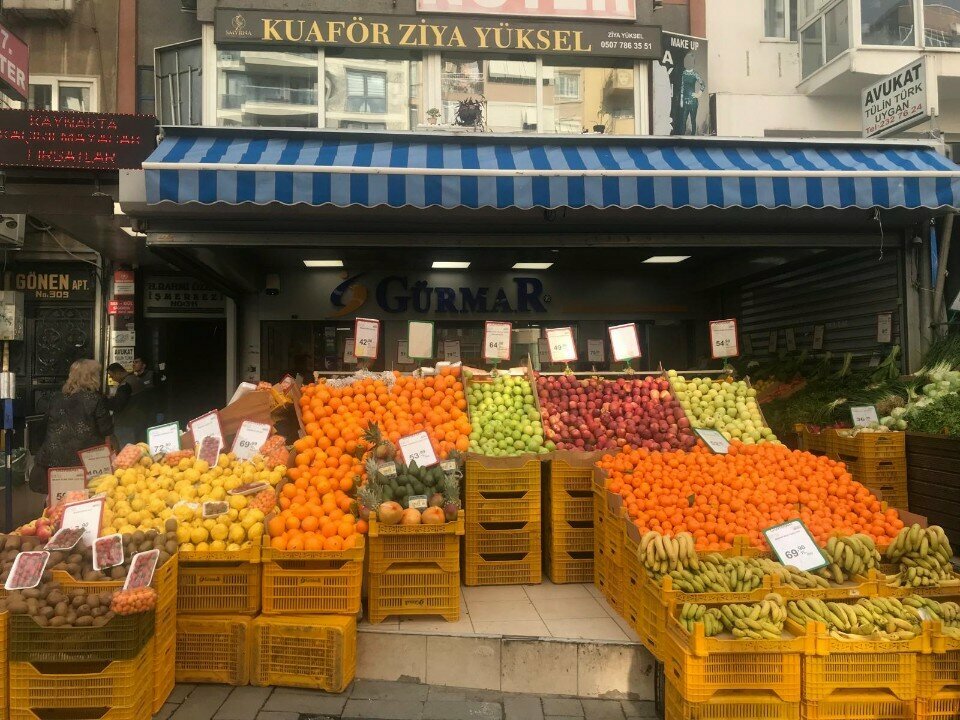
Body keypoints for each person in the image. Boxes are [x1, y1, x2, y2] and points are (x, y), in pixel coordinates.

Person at [29, 359, 114, 494]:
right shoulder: (95, 399)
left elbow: (43, 426)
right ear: (91, 376)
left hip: (53, 459)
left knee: (55, 501)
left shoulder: (57, 398)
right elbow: (106, 429)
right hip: (84, 461)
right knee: (83, 498)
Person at [106, 362, 148, 445]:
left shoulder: (125, 385)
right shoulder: (135, 379)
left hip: (127, 424)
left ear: (118, 373)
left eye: (112, 375)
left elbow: (118, 405)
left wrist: (105, 401)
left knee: (128, 452)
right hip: (139, 420)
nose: (112, 378)